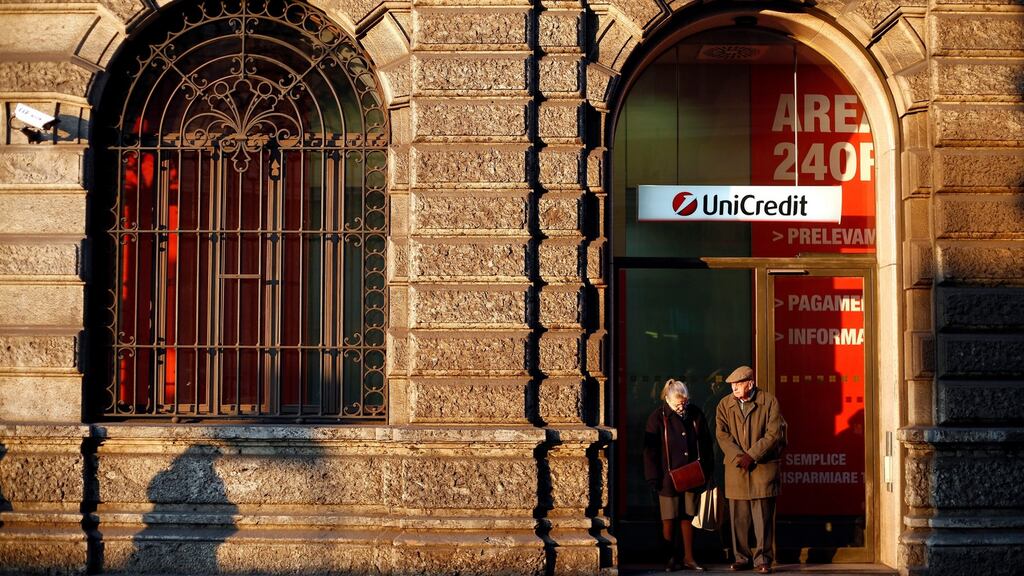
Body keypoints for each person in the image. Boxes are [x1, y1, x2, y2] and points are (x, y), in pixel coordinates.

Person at [715, 365, 786, 574]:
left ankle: (763, 559)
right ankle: (741, 558)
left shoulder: (769, 401)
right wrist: (739, 457)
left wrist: (752, 455)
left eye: (738, 384)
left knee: (763, 517)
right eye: (732, 385)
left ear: (750, 383)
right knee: (738, 518)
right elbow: (722, 435)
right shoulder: (724, 404)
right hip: (736, 468)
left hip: (763, 469)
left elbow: (773, 434)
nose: (734, 388)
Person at [644, 379, 714, 572]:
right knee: (669, 517)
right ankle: (669, 559)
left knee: (688, 516)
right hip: (667, 477)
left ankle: (689, 557)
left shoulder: (695, 414)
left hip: (692, 474)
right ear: (667, 399)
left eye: (684, 402)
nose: (682, 407)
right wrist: (653, 477)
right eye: (678, 404)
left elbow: (706, 443)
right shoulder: (657, 417)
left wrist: (708, 470)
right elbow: (650, 451)